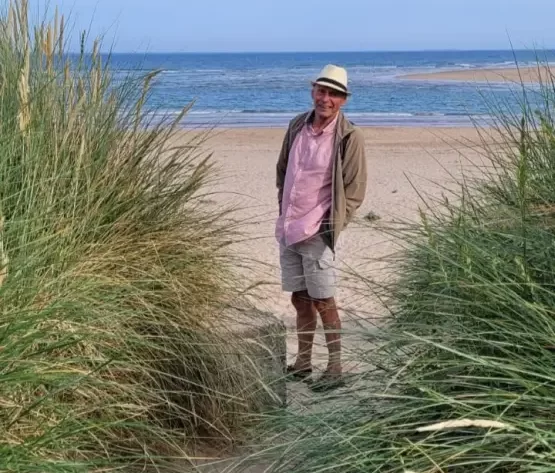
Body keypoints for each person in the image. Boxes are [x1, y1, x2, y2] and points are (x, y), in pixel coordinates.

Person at [275, 64, 367, 392]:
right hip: (288, 228)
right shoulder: (296, 125)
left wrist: (331, 228)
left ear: (343, 100)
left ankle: (335, 369)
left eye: (333, 94)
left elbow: (354, 190)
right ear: (313, 91)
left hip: (317, 232)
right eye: (321, 91)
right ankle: (302, 363)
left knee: (324, 301)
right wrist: (283, 209)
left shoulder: (349, 136)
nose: (325, 99)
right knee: (300, 299)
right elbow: (283, 170)